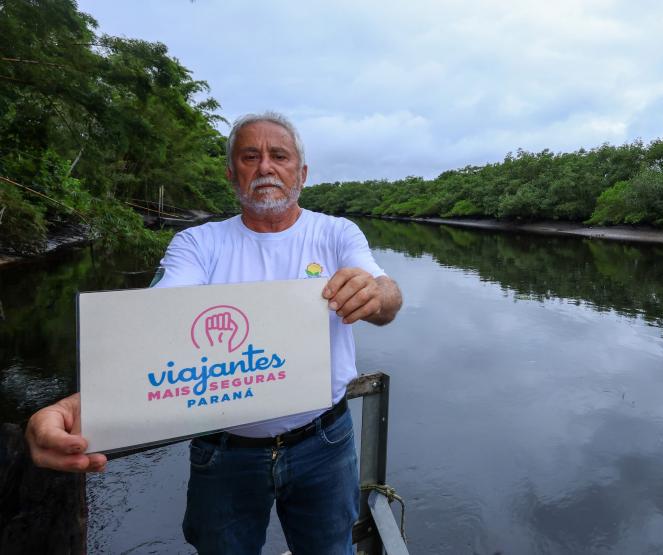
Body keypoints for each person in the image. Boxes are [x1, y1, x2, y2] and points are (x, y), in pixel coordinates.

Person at [25, 111, 403, 554]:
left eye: (279, 156)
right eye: (250, 156)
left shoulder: (337, 233)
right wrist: (83, 406)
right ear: (231, 173)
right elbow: (158, 325)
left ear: (301, 172)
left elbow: (388, 295)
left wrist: (374, 294)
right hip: (224, 449)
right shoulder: (197, 244)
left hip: (324, 440)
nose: (265, 166)